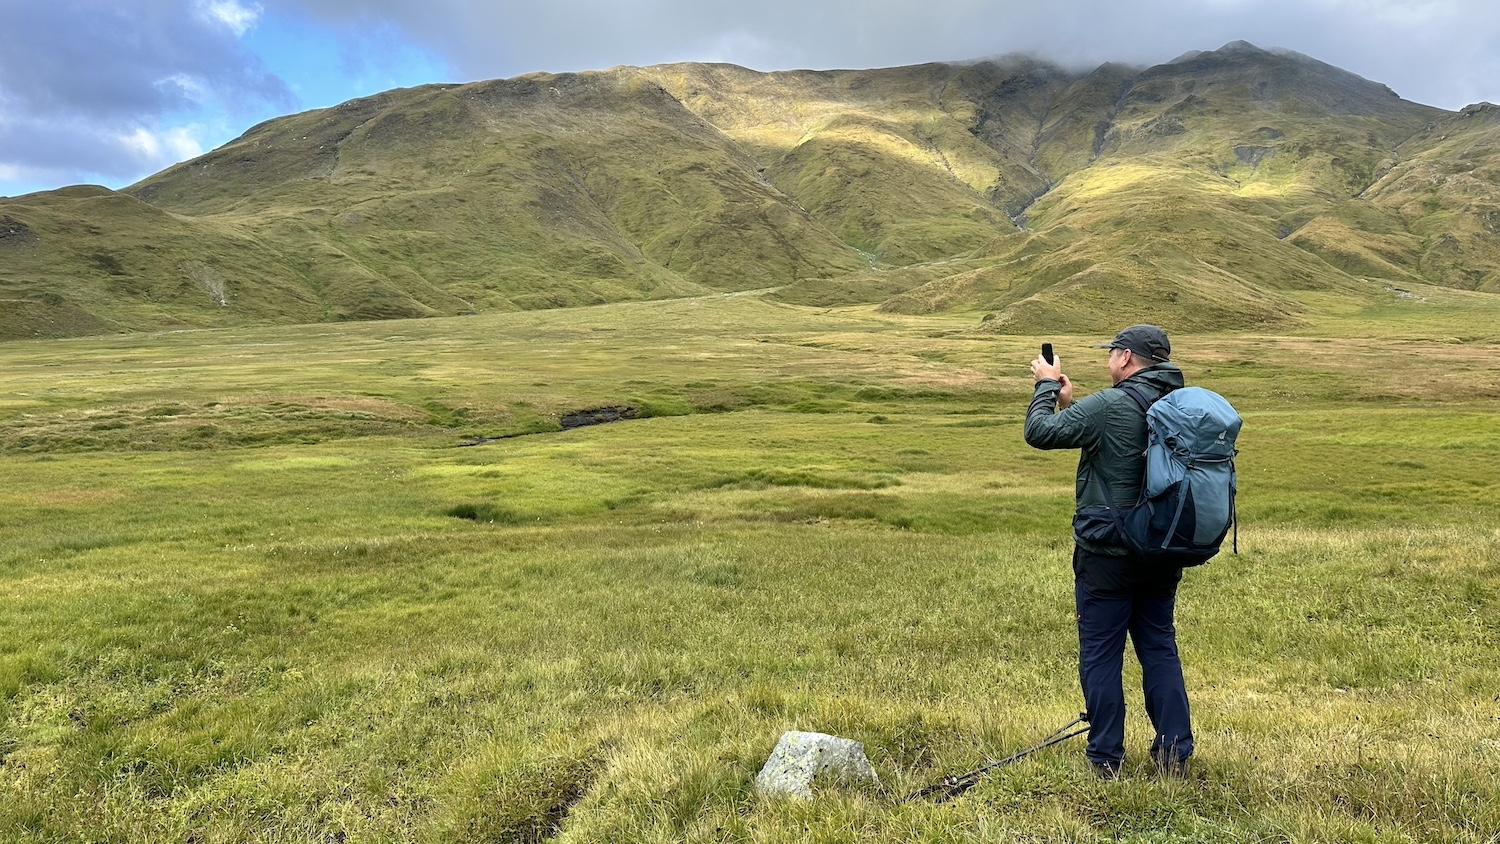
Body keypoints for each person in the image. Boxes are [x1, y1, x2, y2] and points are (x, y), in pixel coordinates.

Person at [1023, 324, 1193, 779]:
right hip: (1162, 549)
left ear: (1126, 358)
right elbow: (1120, 447)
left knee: (1101, 654)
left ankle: (1105, 760)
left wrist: (1045, 386)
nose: (1109, 359)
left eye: (1112, 352)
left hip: (1107, 553)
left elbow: (1039, 432)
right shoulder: (1181, 402)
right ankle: (1174, 754)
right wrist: (1072, 405)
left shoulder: (1111, 403)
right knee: (1159, 648)